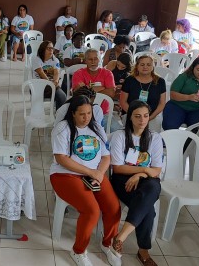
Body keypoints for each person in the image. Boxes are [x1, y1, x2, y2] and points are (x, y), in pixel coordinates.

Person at [50, 95, 121, 266]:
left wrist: (99, 174)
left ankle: (107, 244)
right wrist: (90, 171)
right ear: (73, 113)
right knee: (92, 211)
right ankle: (78, 251)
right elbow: (61, 159)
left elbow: (105, 156)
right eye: (82, 114)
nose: (86, 117)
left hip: (94, 173)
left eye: (89, 113)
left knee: (113, 208)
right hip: (65, 175)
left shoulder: (96, 126)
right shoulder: (63, 128)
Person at [110, 100, 164, 266]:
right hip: (122, 181)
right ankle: (143, 251)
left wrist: (141, 174)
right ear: (130, 118)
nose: (142, 120)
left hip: (145, 181)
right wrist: (143, 171)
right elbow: (118, 168)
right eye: (138, 116)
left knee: (152, 187)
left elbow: (156, 171)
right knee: (148, 209)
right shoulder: (120, 136)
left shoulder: (154, 138)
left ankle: (120, 237)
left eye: (146, 116)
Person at [120, 55, 167, 131]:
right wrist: (135, 115)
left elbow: (162, 103)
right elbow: (123, 102)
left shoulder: (160, 81)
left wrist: (150, 117)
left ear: (153, 67)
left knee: (152, 138)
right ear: (137, 66)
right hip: (131, 114)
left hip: (152, 116)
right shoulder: (129, 80)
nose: (145, 67)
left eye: (148, 65)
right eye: (142, 65)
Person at [71, 49, 116, 114]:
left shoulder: (107, 73)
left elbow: (111, 93)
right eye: (90, 59)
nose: (93, 62)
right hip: (84, 112)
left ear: (99, 60)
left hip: (104, 112)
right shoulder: (78, 74)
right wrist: (102, 88)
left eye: (96, 59)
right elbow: (79, 93)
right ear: (85, 61)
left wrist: (88, 88)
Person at [32, 41, 66, 109]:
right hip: (38, 85)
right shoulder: (36, 59)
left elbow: (56, 73)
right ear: (43, 49)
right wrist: (51, 84)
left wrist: (56, 81)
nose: (51, 50)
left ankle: (58, 115)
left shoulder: (55, 60)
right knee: (58, 94)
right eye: (48, 48)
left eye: (52, 48)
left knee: (62, 96)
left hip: (52, 85)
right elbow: (41, 73)